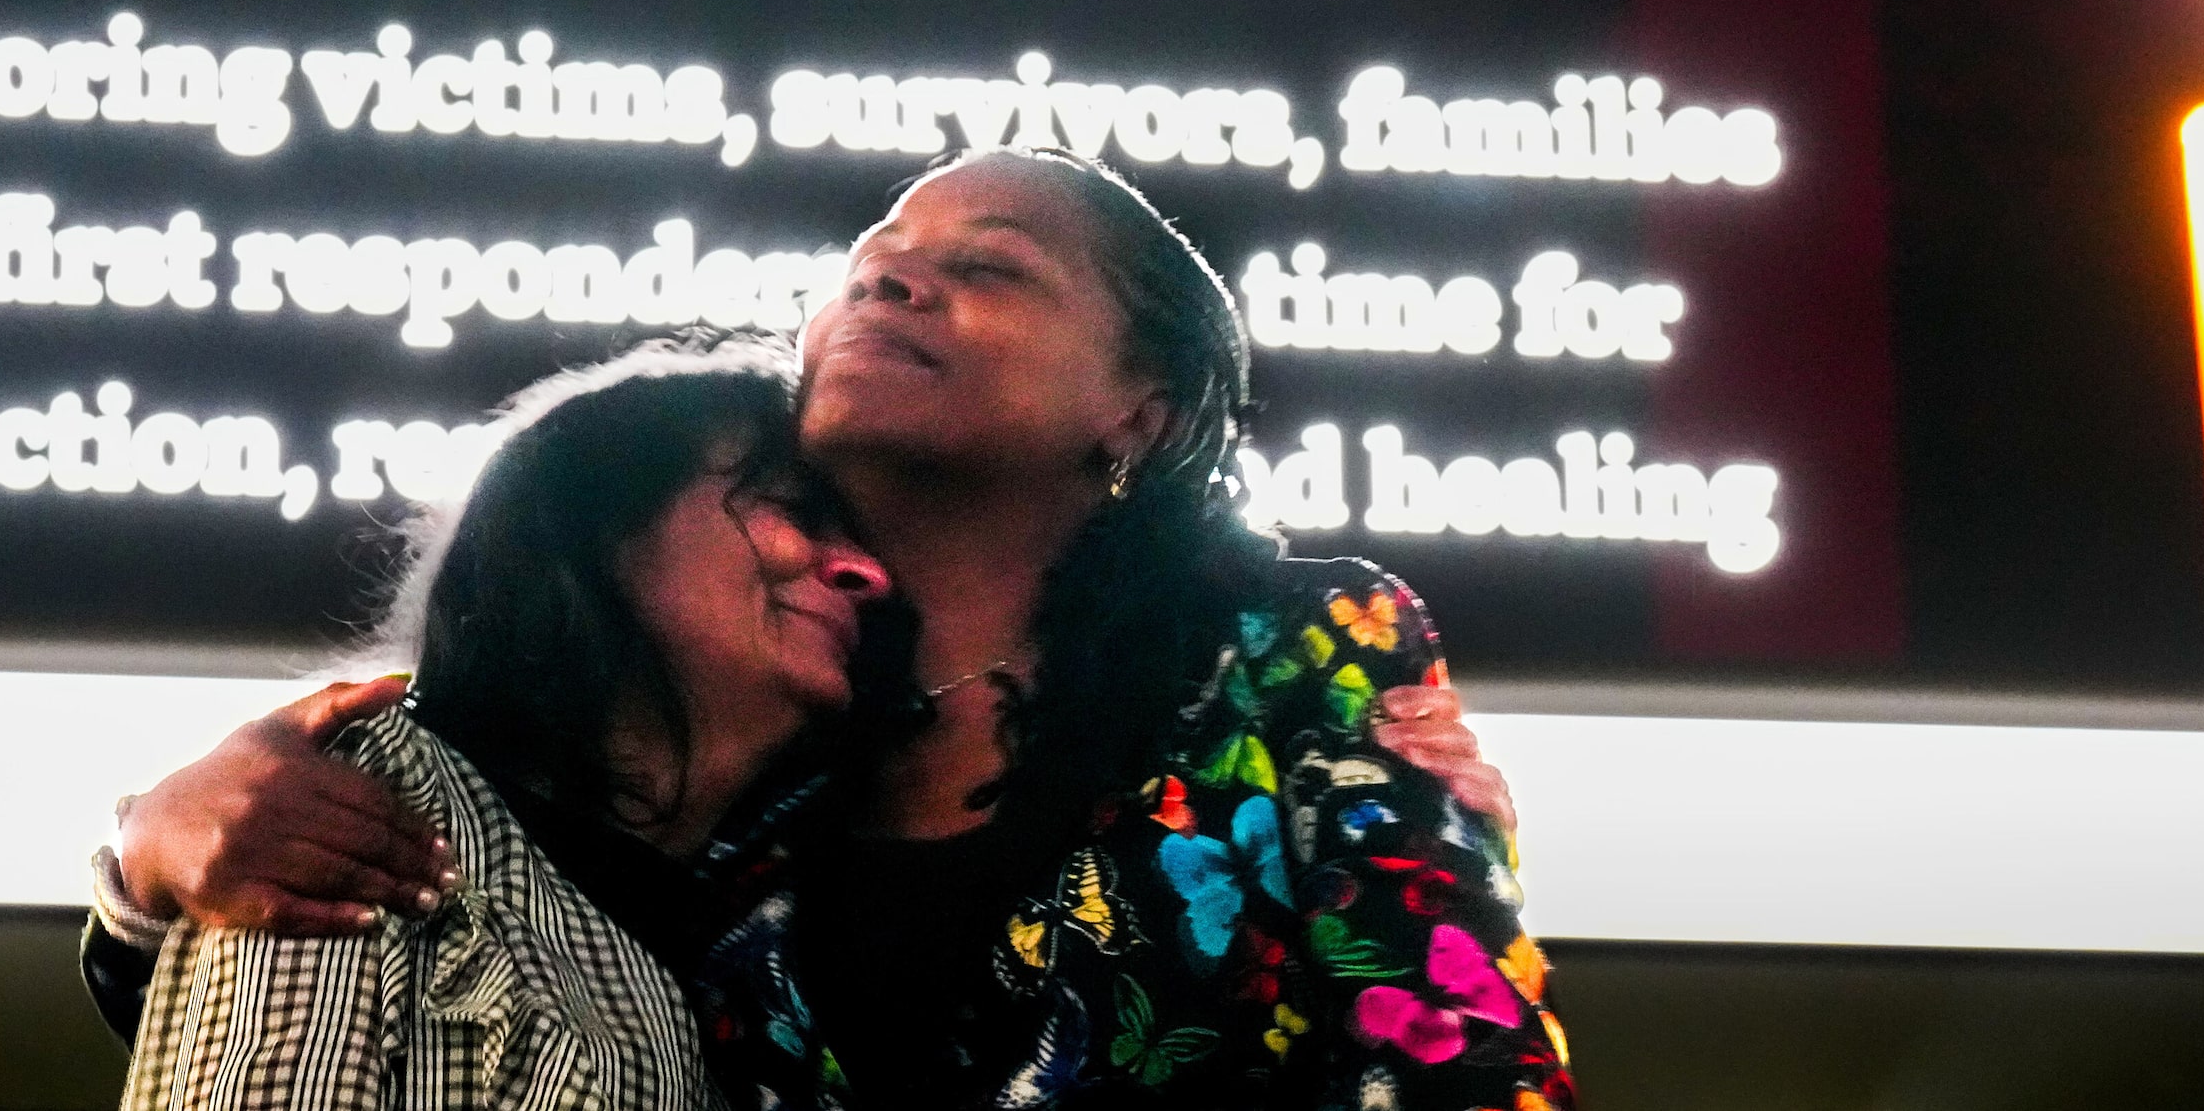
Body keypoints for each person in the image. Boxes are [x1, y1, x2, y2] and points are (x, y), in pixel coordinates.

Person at [103, 149, 1574, 1111]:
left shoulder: (1290, 647)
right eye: (875, 251)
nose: (888, 273)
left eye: (991, 264)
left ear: (1141, 412)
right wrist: (148, 854)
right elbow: (400, 959)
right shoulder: (739, 708)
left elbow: (1451, 1044)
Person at [107, 341, 893, 1110]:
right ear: (593, 522)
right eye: (793, 508)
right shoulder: (376, 800)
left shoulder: (764, 929)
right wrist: (148, 854)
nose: (868, 573)